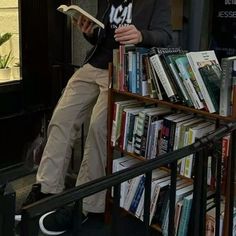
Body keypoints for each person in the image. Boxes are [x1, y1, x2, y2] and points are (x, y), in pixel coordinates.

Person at [22, 0, 173, 234]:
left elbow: (166, 36)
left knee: (97, 130)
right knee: (61, 119)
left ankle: (85, 205)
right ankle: (46, 188)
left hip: (123, 71)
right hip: (94, 65)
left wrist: (141, 35)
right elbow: (103, 37)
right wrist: (90, 33)